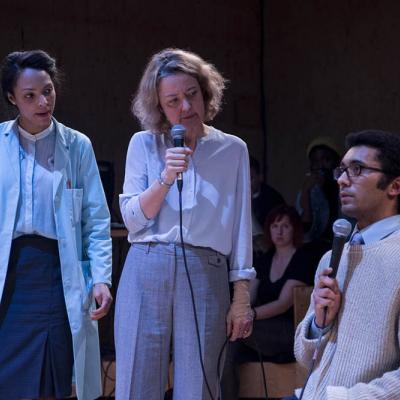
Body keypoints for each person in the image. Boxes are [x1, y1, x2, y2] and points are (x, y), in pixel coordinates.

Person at [115, 48, 255, 400]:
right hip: (148, 261)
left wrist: (241, 298)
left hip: (206, 268)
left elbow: (240, 229)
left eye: (191, 95)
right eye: (173, 100)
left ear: (205, 92)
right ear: (159, 106)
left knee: (200, 385)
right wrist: (165, 177)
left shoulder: (233, 149)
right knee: (136, 379)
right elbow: (131, 220)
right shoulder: (144, 144)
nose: (185, 107)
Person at [0, 50, 113, 400]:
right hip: (11, 275)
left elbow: (96, 220)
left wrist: (101, 278)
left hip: (57, 275)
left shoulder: (77, 146)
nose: (42, 101)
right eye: (30, 96)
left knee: (57, 379)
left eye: (47, 91)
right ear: (12, 98)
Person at [288, 130, 400, 399]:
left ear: (394, 186)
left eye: (357, 169)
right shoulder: (332, 256)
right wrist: (319, 324)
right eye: (342, 170)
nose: (341, 181)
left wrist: (343, 397)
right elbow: (305, 357)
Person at [222, 205, 313, 400]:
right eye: (274, 226)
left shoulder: (302, 259)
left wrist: (249, 315)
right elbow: (250, 297)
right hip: (260, 328)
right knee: (228, 346)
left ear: (294, 229)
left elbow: (283, 303)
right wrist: (237, 310)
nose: (279, 231)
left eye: (285, 226)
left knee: (233, 332)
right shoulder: (265, 259)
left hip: (289, 330)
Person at [296, 138, 341, 244]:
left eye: (326, 159)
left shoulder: (345, 187)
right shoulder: (309, 190)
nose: (320, 165)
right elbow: (304, 227)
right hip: (315, 246)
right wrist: (306, 191)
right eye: (315, 161)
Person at [249, 156, 285, 254]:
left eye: (251, 178)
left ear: (260, 177)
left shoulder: (272, 199)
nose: (246, 183)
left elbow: (266, 238)